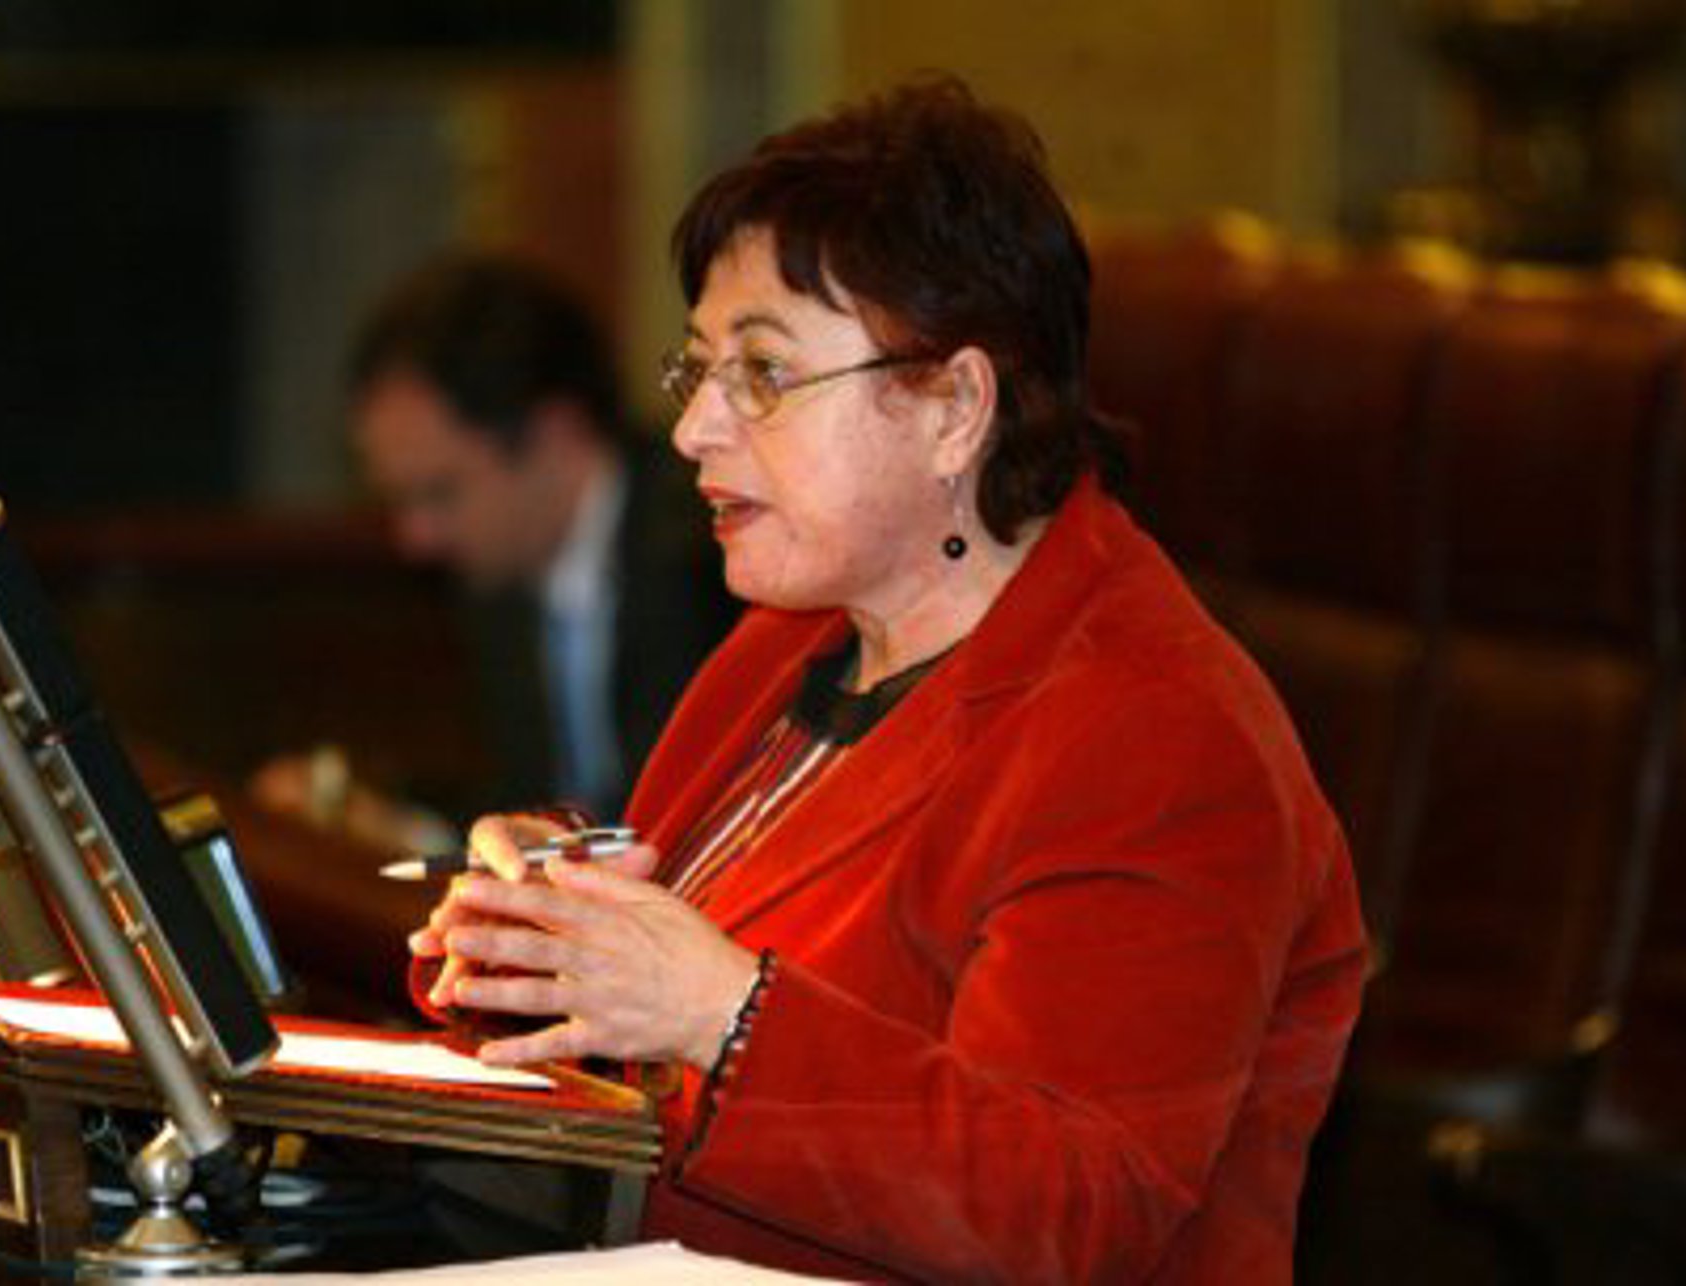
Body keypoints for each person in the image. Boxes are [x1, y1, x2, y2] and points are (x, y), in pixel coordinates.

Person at [409, 78, 1366, 1284]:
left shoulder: (1158, 731)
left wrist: (722, 1012)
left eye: (763, 374)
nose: (695, 429)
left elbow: (1066, 1210)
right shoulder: (796, 637)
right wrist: (550, 915)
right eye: (698, 371)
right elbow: (674, 997)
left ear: (954, 407)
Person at [253, 255, 736, 840]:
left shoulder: (709, 550)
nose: (415, 537)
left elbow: (666, 821)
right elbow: (531, 805)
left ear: (555, 434)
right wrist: (396, 827)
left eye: (439, 492)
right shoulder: (498, 586)